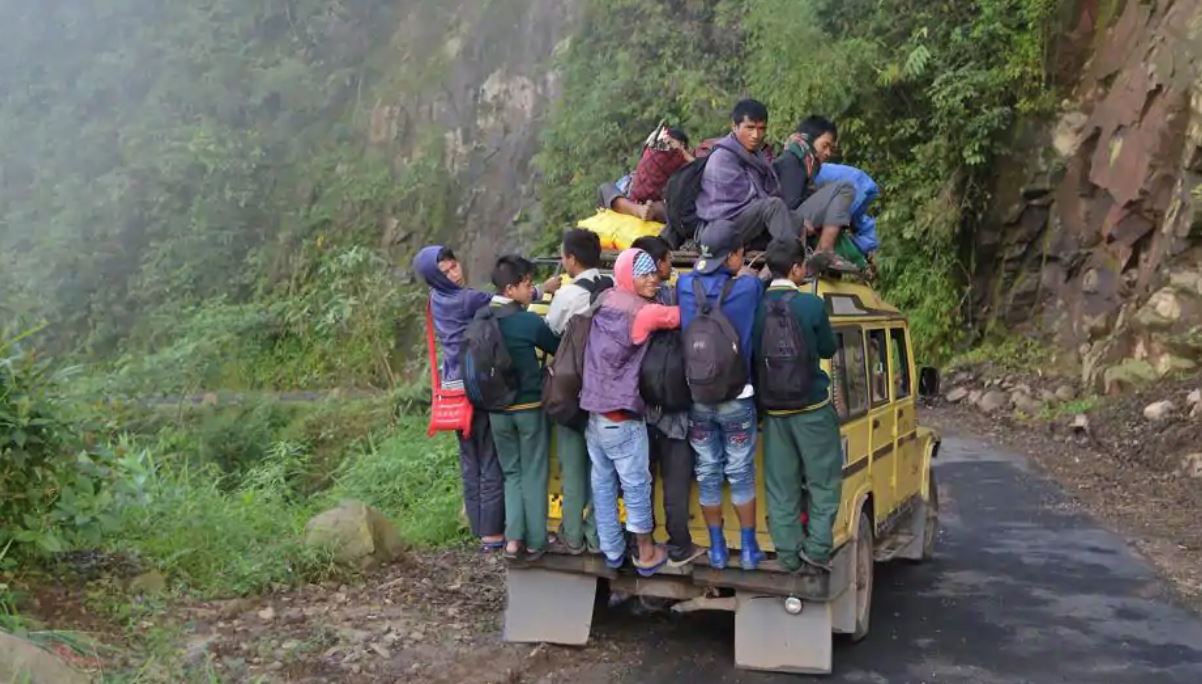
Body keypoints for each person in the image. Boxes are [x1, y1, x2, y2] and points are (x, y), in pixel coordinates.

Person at [579, 248, 681, 575]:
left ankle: (611, 551)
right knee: (636, 485)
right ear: (629, 276)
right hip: (622, 417)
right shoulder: (645, 312)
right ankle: (647, 552)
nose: (653, 279)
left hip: (594, 413)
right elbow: (683, 315)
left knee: (604, 485)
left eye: (655, 273)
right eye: (645, 274)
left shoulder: (606, 299)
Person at [676, 221, 767, 570]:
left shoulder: (685, 286)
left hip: (698, 396)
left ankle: (716, 550)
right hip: (737, 397)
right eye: (740, 253)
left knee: (708, 470)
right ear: (731, 256)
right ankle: (747, 550)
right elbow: (752, 285)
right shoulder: (747, 288)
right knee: (740, 471)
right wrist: (744, 272)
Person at [752, 238, 842, 572]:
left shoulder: (755, 306)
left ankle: (788, 556)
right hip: (812, 411)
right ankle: (817, 551)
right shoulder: (811, 305)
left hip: (773, 413)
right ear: (795, 268)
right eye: (802, 265)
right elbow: (828, 349)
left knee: (781, 488)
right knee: (823, 482)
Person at [413, 245, 504, 552]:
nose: (455, 273)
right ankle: (492, 533)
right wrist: (541, 289)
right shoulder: (467, 299)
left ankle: (479, 528)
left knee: (470, 460)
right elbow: (508, 302)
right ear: (435, 277)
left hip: (453, 386)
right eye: (447, 271)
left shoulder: (436, 298)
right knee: (489, 456)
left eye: (454, 265)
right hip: (475, 385)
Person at [630, 236, 704, 566]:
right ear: (659, 263)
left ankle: (639, 544)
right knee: (675, 482)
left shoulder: (624, 302)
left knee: (638, 480)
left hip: (639, 409)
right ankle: (678, 546)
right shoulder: (677, 296)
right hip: (675, 409)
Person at [486, 255, 562, 561]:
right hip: (528, 408)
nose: (531, 289)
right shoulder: (527, 322)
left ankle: (513, 540)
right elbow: (558, 345)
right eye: (527, 284)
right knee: (533, 472)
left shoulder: (482, 320)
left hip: (495, 411)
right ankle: (535, 540)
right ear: (510, 288)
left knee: (512, 474)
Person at [543, 229, 610, 554]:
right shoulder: (614, 288)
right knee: (604, 468)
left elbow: (552, 332)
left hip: (572, 392)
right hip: (607, 391)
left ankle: (572, 534)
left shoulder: (567, 296)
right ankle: (598, 535)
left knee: (573, 467)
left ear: (571, 259)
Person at [695, 99, 795, 250]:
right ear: (734, 127)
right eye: (750, 128)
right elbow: (741, 204)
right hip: (720, 227)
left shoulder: (755, 154)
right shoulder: (723, 158)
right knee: (774, 206)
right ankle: (788, 261)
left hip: (743, 220)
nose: (756, 135)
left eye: (761, 128)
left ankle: (777, 260)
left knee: (796, 218)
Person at [773, 116, 857, 269]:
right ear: (809, 139)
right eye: (825, 145)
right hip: (790, 221)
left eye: (831, 148)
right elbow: (789, 204)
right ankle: (824, 249)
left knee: (831, 191)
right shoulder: (791, 161)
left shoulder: (807, 163)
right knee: (845, 188)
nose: (828, 153)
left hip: (793, 218)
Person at [598, 126, 693, 223]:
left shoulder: (686, 162)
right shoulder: (655, 151)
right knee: (605, 188)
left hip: (660, 202)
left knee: (671, 206)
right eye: (668, 142)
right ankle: (637, 210)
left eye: (682, 145)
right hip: (633, 198)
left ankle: (648, 211)